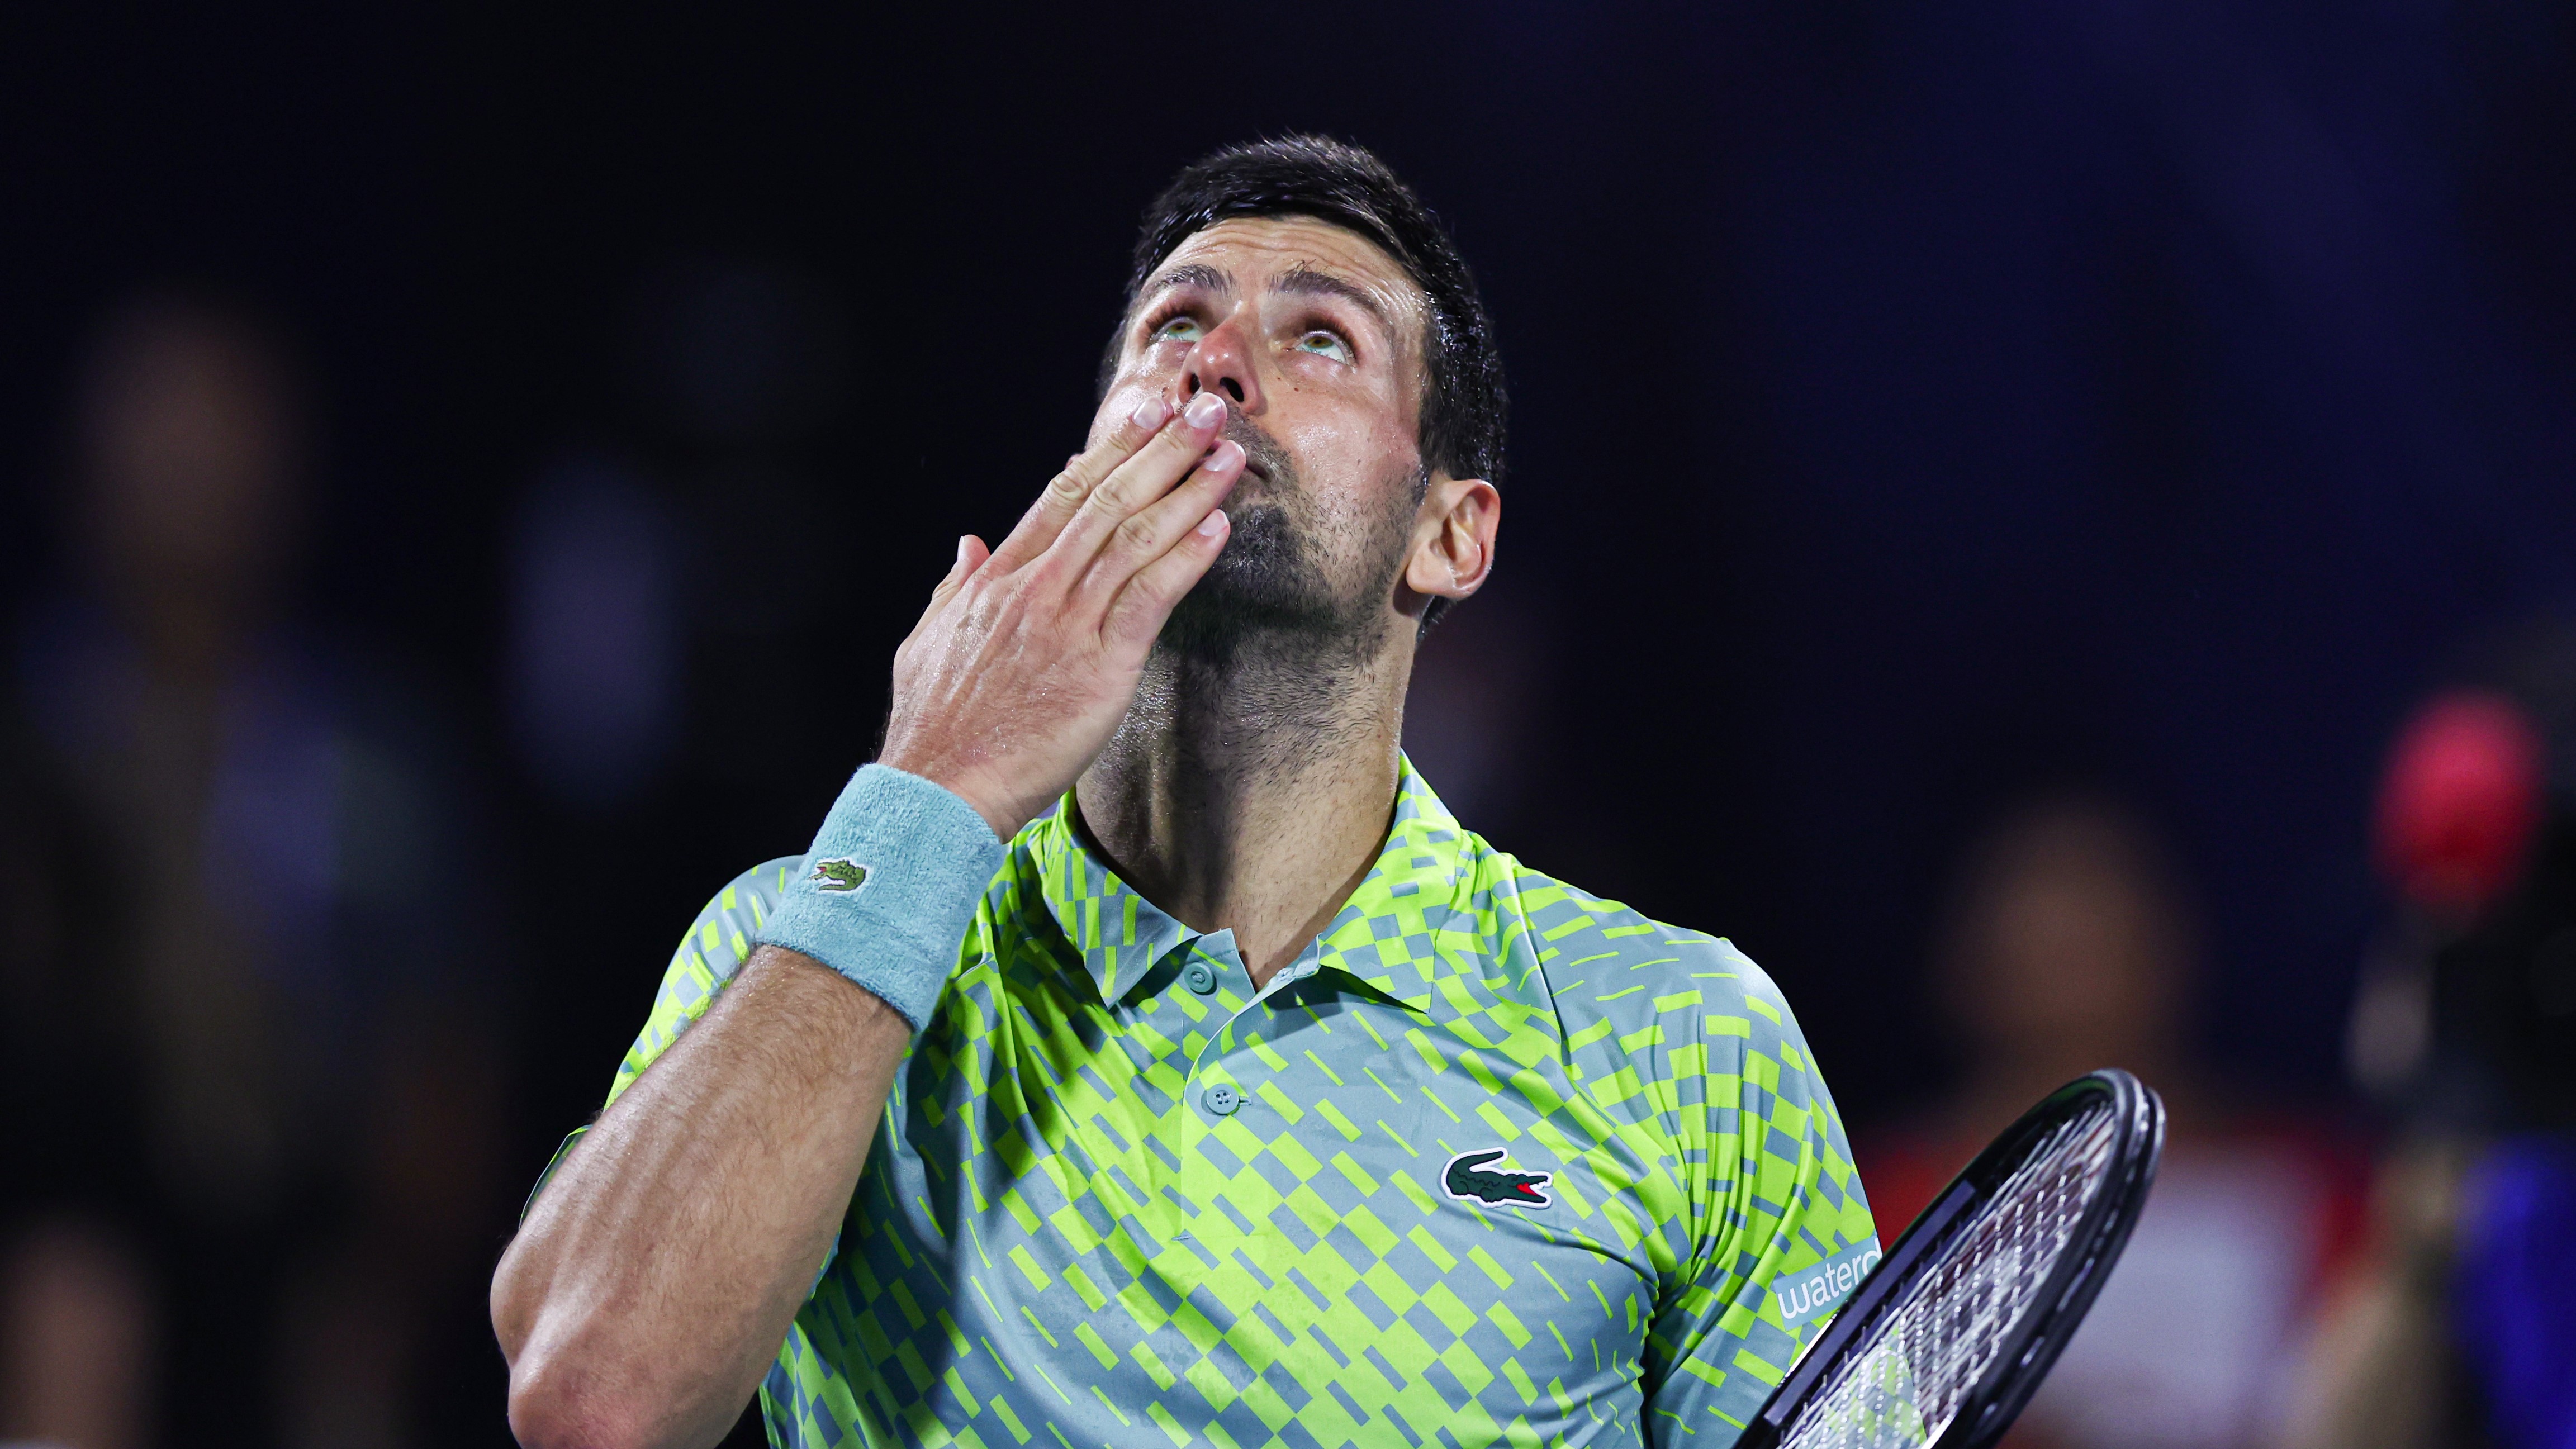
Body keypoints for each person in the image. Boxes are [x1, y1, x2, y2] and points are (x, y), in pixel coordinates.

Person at [492, 136, 1879, 1449]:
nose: (1216, 366)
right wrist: (933, 786)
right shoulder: (803, 946)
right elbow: (594, 1399)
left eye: (1320, 337)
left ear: (1451, 535)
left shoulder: (1683, 1039)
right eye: (1173, 326)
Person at [1859, 791, 2365, 1449]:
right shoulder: (1882, 1211)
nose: (2077, 955)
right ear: (1963, 963)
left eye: (2104, 915)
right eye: (2045, 930)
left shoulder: (2312, 1184)